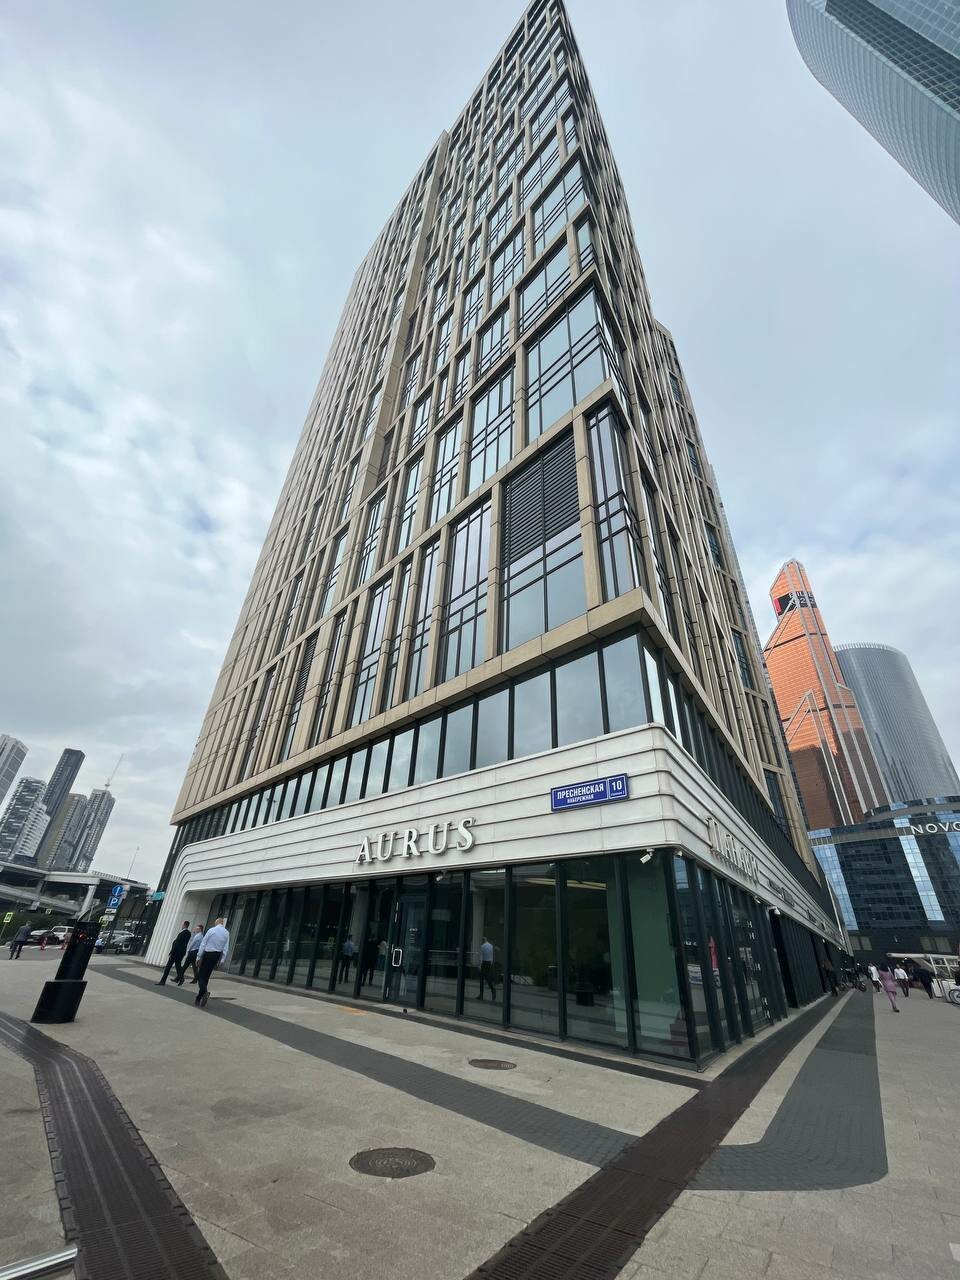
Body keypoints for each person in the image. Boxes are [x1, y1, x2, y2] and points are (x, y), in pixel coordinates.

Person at [195, 918, 230, 1008]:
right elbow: (226, 947)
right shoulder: (226, 933)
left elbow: (203, 943)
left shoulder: (212, 930)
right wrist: (222, 959)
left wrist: (199, 956)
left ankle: (204, 992)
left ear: (216, 922)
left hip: (208, 954)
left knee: (200, 976)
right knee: (206, 976)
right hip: (216, 956)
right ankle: (199, 997)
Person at [157, 921, 191, 986]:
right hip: (181, 953)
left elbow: (177, 943)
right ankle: (181, 978)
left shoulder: (183, 933)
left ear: (184, 925)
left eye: (182, 925)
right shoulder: (188, 933)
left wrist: (171, 952)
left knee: (168, 967)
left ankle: (162, 981)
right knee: (178, 966)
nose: (182, 926)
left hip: (176, 953)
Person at [478, 936, 497, 1001]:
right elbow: (492, 956)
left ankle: (481, 995)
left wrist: (480, 966)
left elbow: (481, 956)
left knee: (481, 979)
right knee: (488, 979)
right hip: (489, 963)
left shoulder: (482, 946)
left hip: (484, 963)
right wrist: (491, 963)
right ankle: (493, 990)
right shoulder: (491, 946)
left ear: (483, 940)